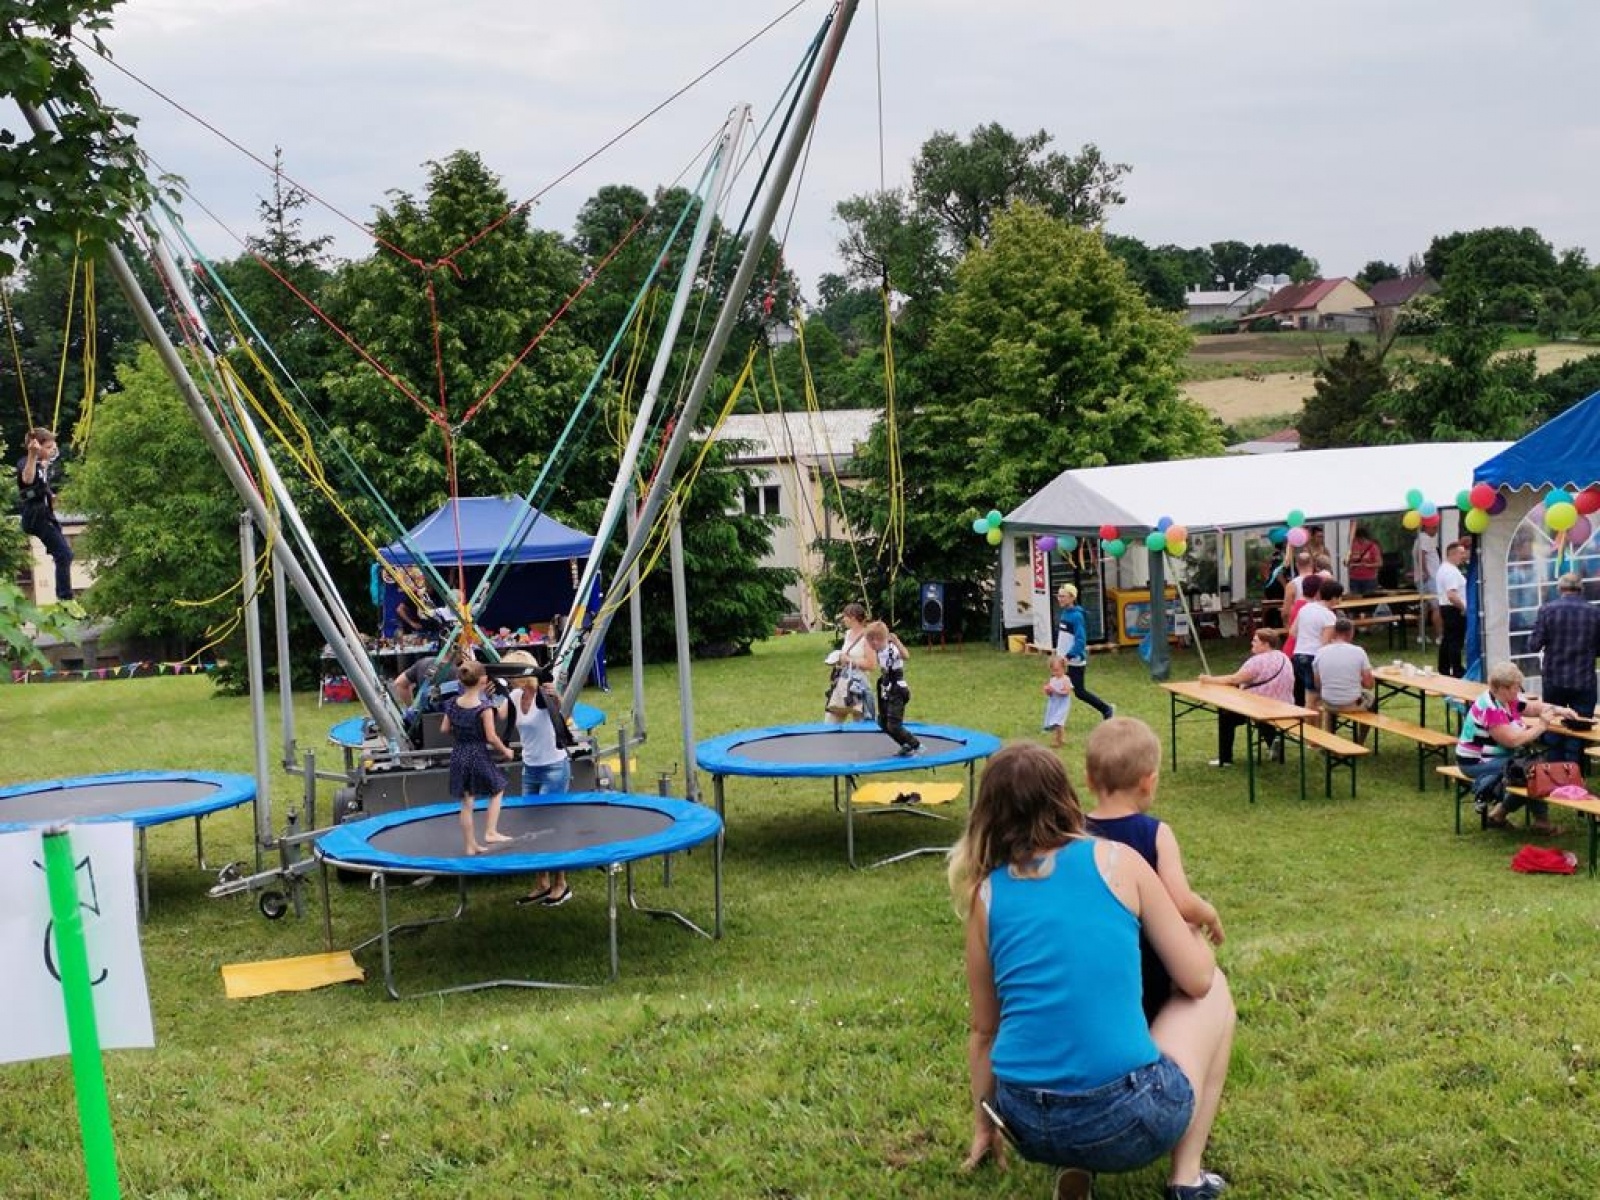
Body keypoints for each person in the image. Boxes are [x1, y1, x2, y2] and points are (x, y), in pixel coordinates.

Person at [953, 742, 1235, 1200]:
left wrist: (986, 1125)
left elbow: (984, 1032)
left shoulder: (985, 897)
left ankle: (1076, 1166)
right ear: (1066, 796)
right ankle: (1188, 1177)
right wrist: (1196, 932)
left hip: (1026, 1123)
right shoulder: (1118, 861)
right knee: (1216, 991)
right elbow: (1196, 979)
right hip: (1128, 1120)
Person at [1083, 718, 1225, 1025]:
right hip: (1149, 968)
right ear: (1149, 781)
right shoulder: (1156, 833)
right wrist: (1210, 913)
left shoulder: (1074, 834)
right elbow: (1182, 903)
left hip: (1092, 971)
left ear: (1089, 780)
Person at [1456, 661, 1577, 835]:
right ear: (1502, 688)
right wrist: (1542, 725)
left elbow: (1533, 707)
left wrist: (1559, 710)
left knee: (1530, 768)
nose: (1519, 690)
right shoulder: (1490, 708)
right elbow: (1512, 741)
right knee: (1531, 771)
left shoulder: (1507, 699)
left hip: (1497, 758)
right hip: (1476, 762)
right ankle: (1541, 823)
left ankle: (1499, 814)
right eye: (1516, 687)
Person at [505, 650, 576, 907]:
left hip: (554, 767)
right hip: (530, 769)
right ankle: (542, 882)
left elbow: (562, 713)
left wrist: (557, 697)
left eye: (511, 672)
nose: (509, 678)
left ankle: (561, 883)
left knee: (551, 825)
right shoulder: (514, 696)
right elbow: (496, 716)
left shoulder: (545, 695)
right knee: (532, 826)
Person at [442, 659, 515, 854]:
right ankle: (490, 832)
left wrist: (462, 732)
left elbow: (444, 728)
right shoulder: (484, 708)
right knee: (498, 788)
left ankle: (470, 845)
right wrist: (506, 751)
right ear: (483, 680)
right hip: (476, 753)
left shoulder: (451, 703)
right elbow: (492, 736)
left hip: (458, 753)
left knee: (467, 802)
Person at [1527, 572, 1600, 764]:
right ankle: (1575, 771)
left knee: (1552, 724)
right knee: (1580, 727)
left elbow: (1534, 644)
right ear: (1581, 588)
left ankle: (1555, 769)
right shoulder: (1595, 612)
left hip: (1554, 677)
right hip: (1584, 678)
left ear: (1560, 588)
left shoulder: (1547, 610)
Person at [1198, 627, 1295, 766]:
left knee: (1226, 715)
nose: (1252, 643)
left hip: (1259, 707)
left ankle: (1225, 759)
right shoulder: (1284, 657)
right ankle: (1274, 744)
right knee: (1265, 718)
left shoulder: (1257, 661)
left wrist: (1209, 679)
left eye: (1255, 641)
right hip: (1284, 706)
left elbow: (1234, 679)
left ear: (1266, 644)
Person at [15, 427, 74, 602]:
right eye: (48, 447)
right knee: (64, 555)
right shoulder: (26, 461)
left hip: (46, 516)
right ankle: (65, 599)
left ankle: (65, 597)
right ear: (36, 447)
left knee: (64, 554)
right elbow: (27, 479)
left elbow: (40, 488)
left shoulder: (43, 465)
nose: (52, 450)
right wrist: (33, 455)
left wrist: (53, 497)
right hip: (36, 518)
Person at [1055, 583, 1114, 721]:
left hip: (1073, 661)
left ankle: (1106, 709)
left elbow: (1080, 641)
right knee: (1058, 688)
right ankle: (1056, 721)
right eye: (1059, 596)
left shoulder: (1076, 616)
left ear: (1072, 598)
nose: (1060, 599)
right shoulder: (1065, 613)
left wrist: (1068, 655)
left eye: (1063, 596)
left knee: (1080, 692)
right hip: (1063, 659)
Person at [1312, 617, 1374, 739]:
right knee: (1371, 699)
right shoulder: (1358, 652)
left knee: (1330, 704)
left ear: (1335, 632)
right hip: (1350, 703)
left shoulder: (1320, 652)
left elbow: (1317, 683)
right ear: (1350, 633)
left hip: (1328, 702)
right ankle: (1359, 741)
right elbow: (1369, 684)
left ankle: (1330, 739)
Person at [865, 619, 920, 755]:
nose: (873, 643)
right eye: (870, 640)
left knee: (893, 725)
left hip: (898, 690)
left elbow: (906, 656)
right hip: (887, 689)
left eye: (876, 640)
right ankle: (906, 745)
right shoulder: (878, 650)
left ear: (881, 639)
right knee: (882, 722)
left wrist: (897, 642)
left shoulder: (892, 649)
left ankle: (916, 745)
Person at [1287, 575, 1338, 708]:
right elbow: (1325, 644)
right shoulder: (1329, 616)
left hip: (1298, 655)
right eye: (1339, 598)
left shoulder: (1305, 608)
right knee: (1314, 698)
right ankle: (1313, 726)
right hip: (1314, 657)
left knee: (1306, 695)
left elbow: (1292, 632)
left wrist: (1306, 637)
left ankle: (1309, 723)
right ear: (1333, 598)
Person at [824, 603, 875, 724]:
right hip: (843, 683)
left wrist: (850, 660)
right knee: (830, 723)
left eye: (845, 616)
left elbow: (871, 664)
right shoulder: (847, 634)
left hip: (859, 686)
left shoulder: (867, 636)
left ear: (853, 617)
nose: (843, 619)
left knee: (862, 727)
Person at [1435, 540, 1469, 678]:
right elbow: (1452, 594)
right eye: (1461, 553)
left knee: (1448, 639)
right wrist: (1463, 608)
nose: (1464, 556)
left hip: (1446, 608)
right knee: (1455, 640)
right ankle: (1456, 669)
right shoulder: (1451, 572)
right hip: (1454, 608)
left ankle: (1443, 667)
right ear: (1452, 554)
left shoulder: (1444, 568)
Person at [1412, 527, 1443, 644]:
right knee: (1437, 607)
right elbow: (1421, 555)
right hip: (1430, 578)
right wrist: (1426, 572)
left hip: (1422, 578)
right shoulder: (1425, 538)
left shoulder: (1418, 539)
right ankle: (1440, 636)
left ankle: (1421, 635)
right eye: (1435, 527)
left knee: (1424, 607)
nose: (1436, 530)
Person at [1042, 655, 1074, 749]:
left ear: (1064, 669)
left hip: (1062, 704)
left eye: (1057, 670)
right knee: (1056, 723)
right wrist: (1048, 691)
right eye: (1053, 670)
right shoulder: (1053, 679)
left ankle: (1059, 740)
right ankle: (1059, 739)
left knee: (1059, 722)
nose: (1055, 672)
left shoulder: (1066, 679)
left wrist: (1055, 690)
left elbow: (1067, 692)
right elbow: (1050, 694)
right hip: (1054, 704)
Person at [1344, 526, 1383, 596]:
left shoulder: (1373, 547)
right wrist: (1348, 563)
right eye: (1357, 539)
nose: (1359, 541)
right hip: (1354, 578)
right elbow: (1347, 561)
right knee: (1355, 599)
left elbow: (1379, 563)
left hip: (1369, 579)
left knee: (1369, 599)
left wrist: (1368, 565)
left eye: (1361, 539)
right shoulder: (1353, 546)